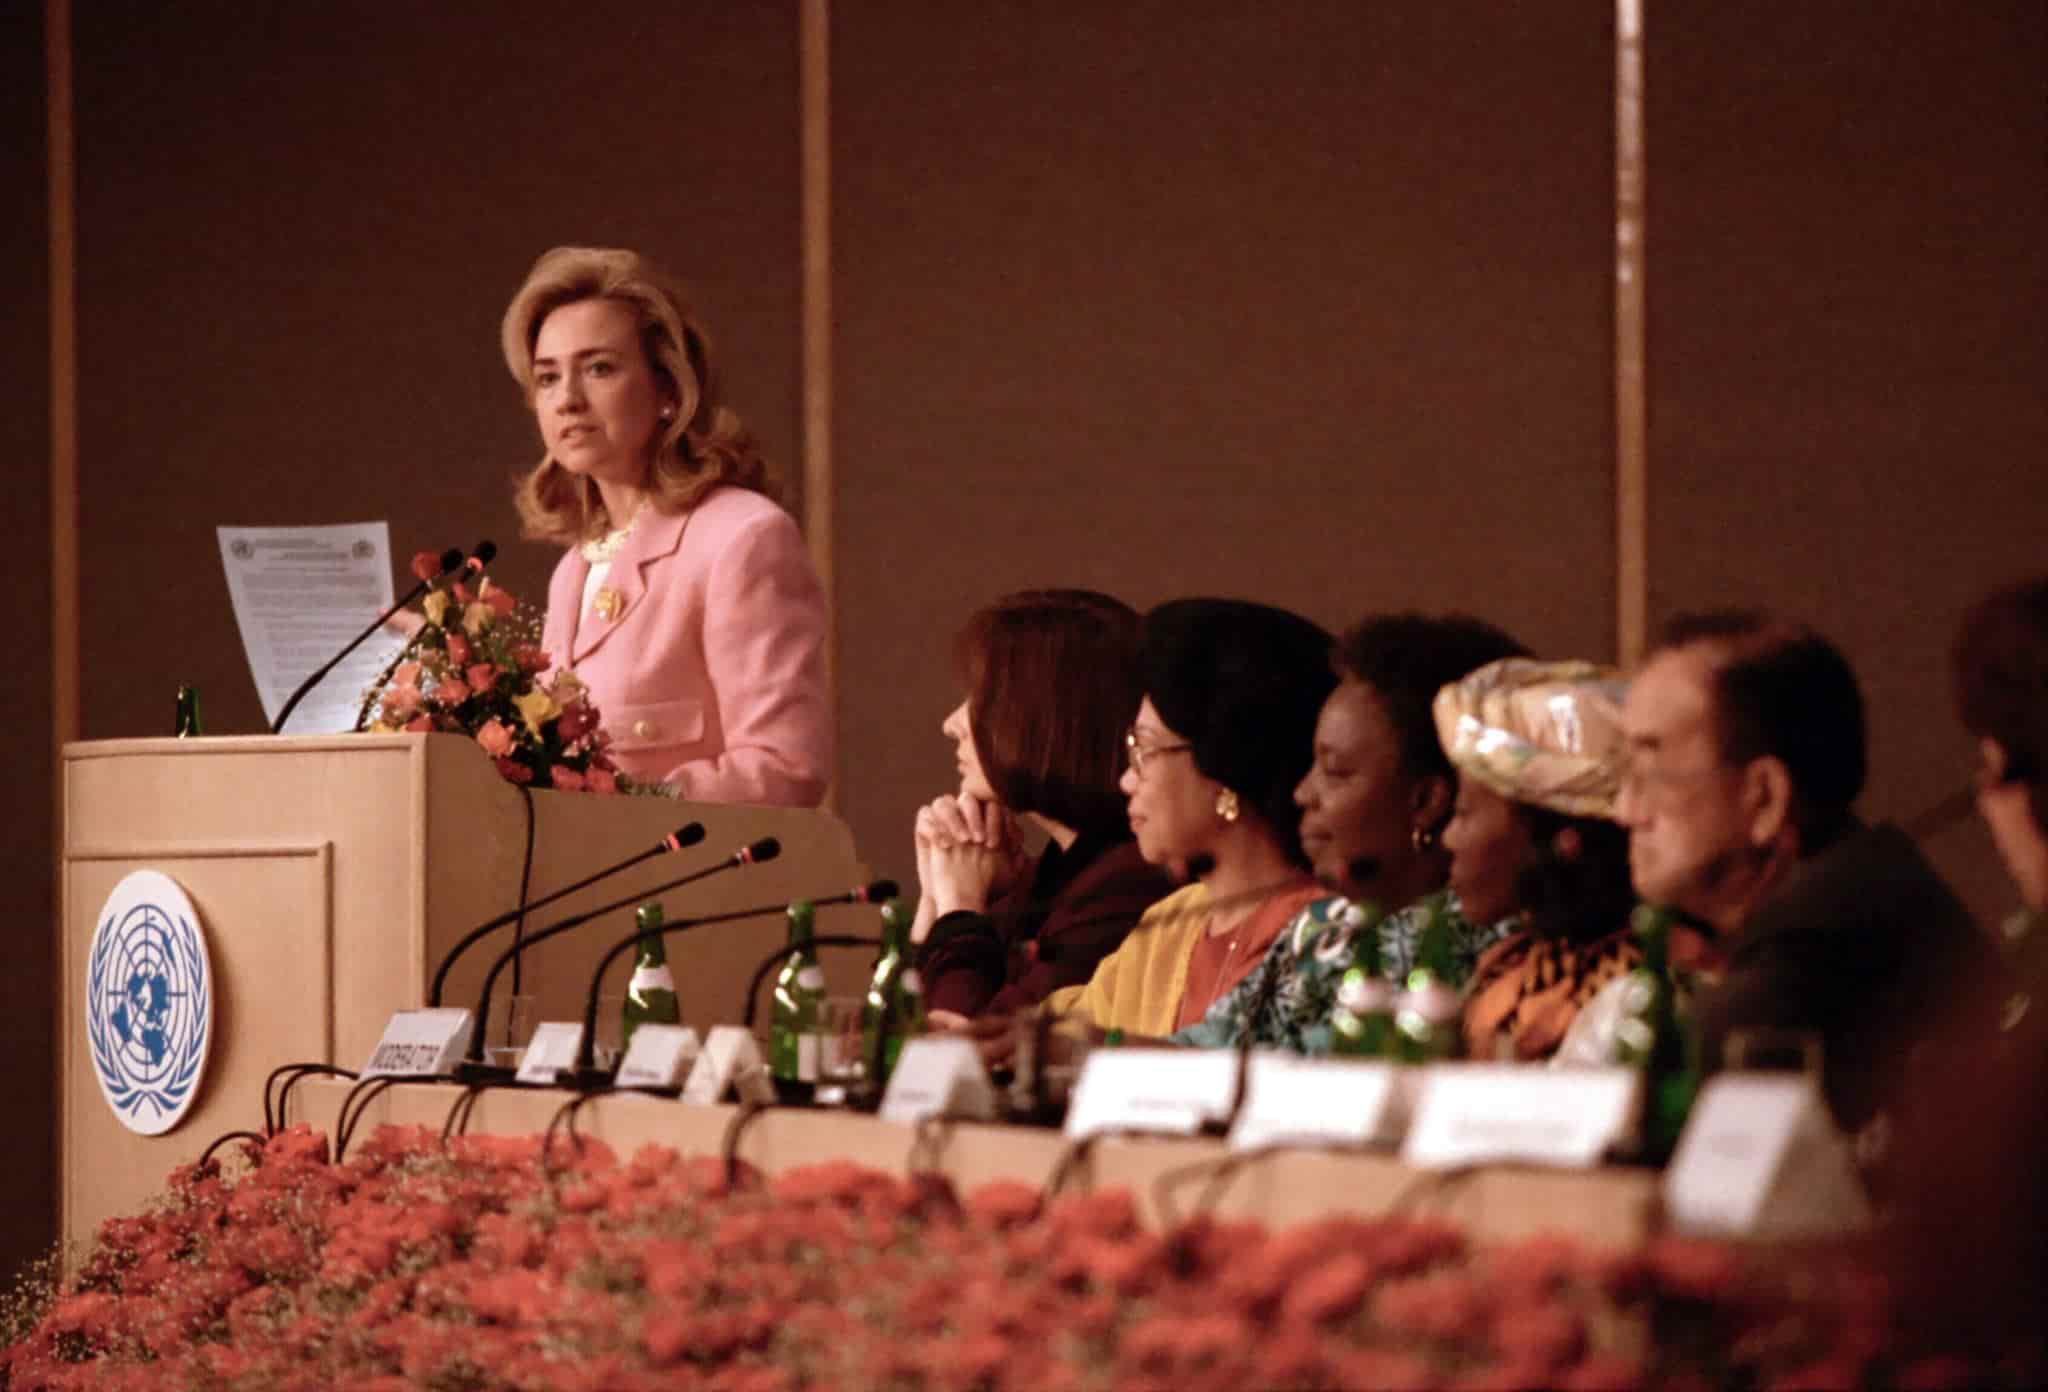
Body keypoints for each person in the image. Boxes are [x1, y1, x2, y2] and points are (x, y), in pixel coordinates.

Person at [1614, 610, 1992, 1132]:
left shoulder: (1807, 969)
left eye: (1653, 769)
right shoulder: (1861, 896)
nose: (1624, 808)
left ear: (1765, 797)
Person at [503, 246, 831, 805]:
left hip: (703, 886)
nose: (568, 400)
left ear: (668, 390)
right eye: (549, 378)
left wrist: (617, 807)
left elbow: (785, 769)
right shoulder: (574, 570)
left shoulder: (742, 538)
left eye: (599, 368)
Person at [1171, 613, 1529, 1052]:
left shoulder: (1483, 950)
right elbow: (1197, 1052)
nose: (1303, 793)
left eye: (1335, 772)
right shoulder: (1327, 923)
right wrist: (1086, 1045)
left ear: (1426, 802)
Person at [1042, 599, 1335, 1038]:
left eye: (1145, 751)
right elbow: (1069, 1029)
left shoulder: (1329, 932)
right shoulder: (1174, 921)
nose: (1126, 780)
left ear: (1225, 769)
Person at [909, 591, 1176, 1018]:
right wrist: (934, 900)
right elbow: (887, 1041)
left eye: (979, 698)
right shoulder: (1041, 877)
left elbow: (969, 1049)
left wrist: (959, 905)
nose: (951, 724)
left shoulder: (1129, 882)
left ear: (1045, 716)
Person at [1436, 659, 1643, 1061]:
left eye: (1462, 813)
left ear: (1562, 841)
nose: (1447, 839)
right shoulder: (1508, 965)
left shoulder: (1639, 992)